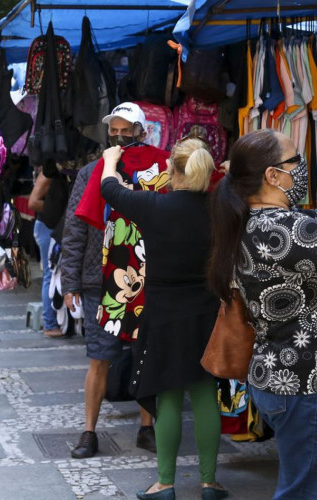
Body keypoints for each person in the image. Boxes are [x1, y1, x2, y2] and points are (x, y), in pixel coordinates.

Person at [208, 129, 317, 499]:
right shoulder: (278, 229)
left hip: (309, 380)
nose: (301, 168)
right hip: (308, 382)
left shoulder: (271, 223)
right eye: (295, 161)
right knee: (307, 492)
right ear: (272, 175)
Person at [100, 138, 226, 500]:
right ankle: (209, 483)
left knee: (168, 396)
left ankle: (165, 484)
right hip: (206, 314)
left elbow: (110, 189)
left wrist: (111, 159)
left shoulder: (154, 205)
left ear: (172, 171)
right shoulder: (220, 207)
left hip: (164, 315)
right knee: (204, 396)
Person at [61, 161, 156, 460]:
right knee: (99, 357)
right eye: (114, 127)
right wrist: (69, 282)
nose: (120, 134)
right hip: (97, 280)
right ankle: (89, 431)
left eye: (127, 127)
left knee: (146, 353)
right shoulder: (91, 172)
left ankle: (147, 427)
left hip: (142, 277)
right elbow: (75, 226)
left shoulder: (153, 165)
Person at [29, 170, 70, 337]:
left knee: (52, 273)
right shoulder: (47, 174)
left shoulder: (55, 173)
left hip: (49, 226)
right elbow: (33, 202)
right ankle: (50, 323)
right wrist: (56, 209)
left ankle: (54, 321)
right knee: (49, 273)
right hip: (46, 227)